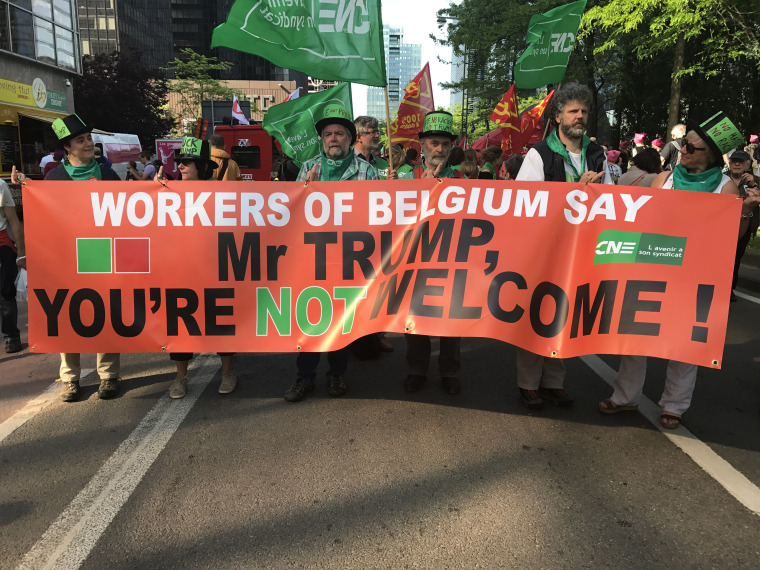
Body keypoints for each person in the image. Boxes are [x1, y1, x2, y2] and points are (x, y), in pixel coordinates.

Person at [600, 112, 760, 429]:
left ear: (712, 155)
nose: (682, 150)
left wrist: (744, 213)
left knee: (686, 341)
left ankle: (674, 404)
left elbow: (731, 240)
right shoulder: (664, 179)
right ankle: (624, 396)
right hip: (653, 267)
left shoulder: (725, 188)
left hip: (695, 275)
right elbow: (641, 221)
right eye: (683, 143)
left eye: (691, 147)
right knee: (635, 336)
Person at [514, 82, 611, 409]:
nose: (580, 116)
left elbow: (611, 203)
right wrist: (575, 192)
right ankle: (528, 383)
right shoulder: (538, 155)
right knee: (537, 315)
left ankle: (554, 383)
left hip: (582, 250)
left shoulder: (597, 155)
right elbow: (525, 204)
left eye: (584, 111)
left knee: (566, 318)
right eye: (573, 110)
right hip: (546, 250)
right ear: (557, 117)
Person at [13, 114, 121, 401]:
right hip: (66, 257)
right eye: (81, 140)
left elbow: (128, 212)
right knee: (66, 312)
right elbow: (43, 216)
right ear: (68, 147)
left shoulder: (108, 174)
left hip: (101, 255)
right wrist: (27, 186)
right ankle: (70, 378)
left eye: (88, 139)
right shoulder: (55, 178)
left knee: (105, 311)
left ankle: (108, 375)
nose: (88, 144)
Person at [284, 103, 378, 403]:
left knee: (340, 319)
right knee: (310, 318)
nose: (333, 139)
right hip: (313, 261)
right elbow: (292, 218)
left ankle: (337, 373)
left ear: (351, 139)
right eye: (327, 134)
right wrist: (304, 193)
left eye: (339, 133)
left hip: (350, 262)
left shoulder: (367, 172)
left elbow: (378, 219)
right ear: (322, 139)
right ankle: (304, 377)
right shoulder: (308, 169)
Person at [163, 137, 238, 398]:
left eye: (187, 162)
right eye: (180, 162)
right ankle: (180, 377)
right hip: (181, 269)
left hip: (214, 267)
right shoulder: (166, 191)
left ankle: (227, 372)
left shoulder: (220, 193)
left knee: (221, 322)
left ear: (202, 166)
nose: (181, 166)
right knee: (181, 324)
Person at [397, 110, 463, 396]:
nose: (440, 149)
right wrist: (416, 188)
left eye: (445, 144)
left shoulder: (461, 177)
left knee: (453, 319)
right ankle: (417, 369)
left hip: (453, 260)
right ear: (421, 144)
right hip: (414, 260)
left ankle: (449, 371)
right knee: (415, 319)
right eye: (434, 142)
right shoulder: (403, 176)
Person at [727, 150, 760, 299]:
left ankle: (730, 288)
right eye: (734, 161)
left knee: (736, 256)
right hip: (724, 223)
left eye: (741, 161)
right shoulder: (722, 179)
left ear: (747, 165)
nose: (737, 164)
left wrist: (753, 184)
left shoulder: (755, 181)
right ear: (729, 163)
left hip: (745, 223)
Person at [0, 178, 25, 353]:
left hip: (1, 245)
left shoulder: (0, 185)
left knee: (5, 292)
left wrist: (21, 252)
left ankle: (11, 336)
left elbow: (13, 220)